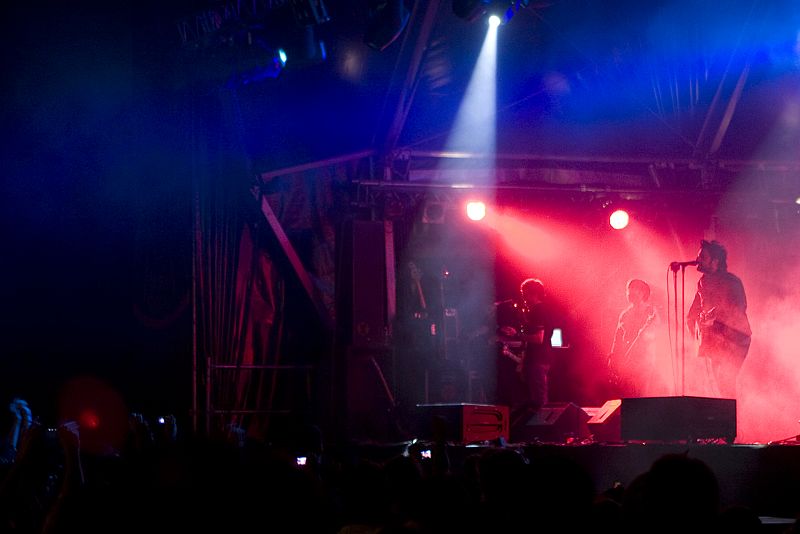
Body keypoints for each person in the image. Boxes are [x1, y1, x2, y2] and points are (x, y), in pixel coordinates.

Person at [686, 240, 751, 399]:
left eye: (702, 257)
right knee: (718, 385)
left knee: (726, 380)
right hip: (714, 339)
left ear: (715, 262)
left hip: (735, 337)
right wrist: (696, 333)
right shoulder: (703, 282)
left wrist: (715, 315)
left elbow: (739, 308)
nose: (697, 259)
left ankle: (731, 413)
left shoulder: (732, 281)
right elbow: (692, 314)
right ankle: (726, 411)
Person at [607, 279, 658, 397]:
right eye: (628, 289)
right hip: (626, 361)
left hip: (643, 362)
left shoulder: (650, 312)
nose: (629, 292)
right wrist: (613, 357)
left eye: (634, 289)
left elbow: (654, 335)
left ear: (643, 293)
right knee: (627, 395)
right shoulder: (624, 314)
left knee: (642, 395)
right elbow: (617, 338)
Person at [515, 278, 554, 416]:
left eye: (525, 293)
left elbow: (538, 338)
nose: (523, 297)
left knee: (538, 400)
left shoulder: (538, 310)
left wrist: (517, 335)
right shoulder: (538, 310)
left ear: (533, 293)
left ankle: (541, 423)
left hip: (538, 359)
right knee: (536, 397)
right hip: (539, 358)